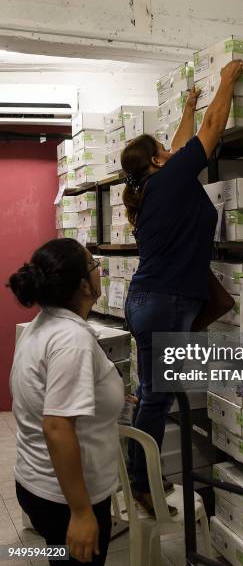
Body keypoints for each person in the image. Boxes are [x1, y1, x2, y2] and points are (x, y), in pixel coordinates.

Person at [121, 59, 243, 515]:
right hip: (165, 302)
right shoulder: (171, 181)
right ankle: (140, 484)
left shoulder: (156, 187)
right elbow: (213, 130)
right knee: (155, 397)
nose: (170, 152)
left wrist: (190, 104)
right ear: (157, 162)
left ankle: (136, 474)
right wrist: (227, 81)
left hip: (144, 301)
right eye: (162, 150)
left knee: (150, 394)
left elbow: (182, 145)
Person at [8, 239, 125, 565]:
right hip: (67, 497)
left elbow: (48, 396)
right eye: (93, 264)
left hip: (38, 483)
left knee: (58, 556)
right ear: (83, 285)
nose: (99, 269)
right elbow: (57, 427)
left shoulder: (42, 326)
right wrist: (82, 513)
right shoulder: (72, 340)